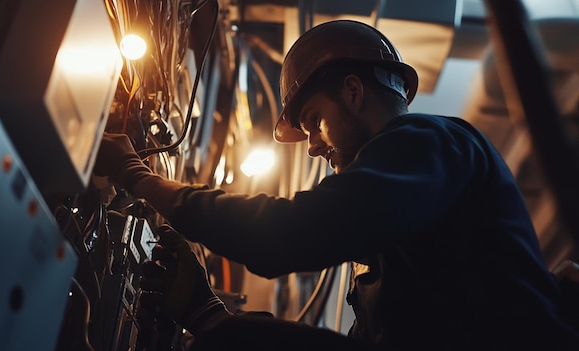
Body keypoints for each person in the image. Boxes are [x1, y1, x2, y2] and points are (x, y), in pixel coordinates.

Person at [95, 20, 579, 350]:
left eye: (312, 120)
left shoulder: (431, 141)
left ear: (352, 90)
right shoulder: (402, 231)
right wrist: (211, 318)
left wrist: (137, 175)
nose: (311, 146)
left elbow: (288, 234)